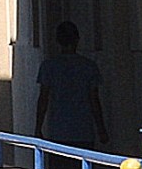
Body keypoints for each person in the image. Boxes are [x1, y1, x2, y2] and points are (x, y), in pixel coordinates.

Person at [34, 20, 109, 150]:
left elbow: (43, 99)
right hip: (83, 131)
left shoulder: (49, 66)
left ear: (58, 40)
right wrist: (101, 129)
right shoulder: (89, 67)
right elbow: (94, 101)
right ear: (77, 40)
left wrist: (38, 127)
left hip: (58, 131)